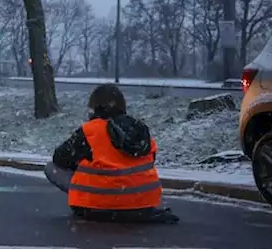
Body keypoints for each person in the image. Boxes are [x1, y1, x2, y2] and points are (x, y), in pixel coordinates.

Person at [46, 83, 179, 223]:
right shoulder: (139, 129)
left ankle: (94, 199)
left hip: (97, 207)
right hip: (142, 206)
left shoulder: (90, 130)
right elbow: (150, 159)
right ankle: (129, 204)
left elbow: (60, 158)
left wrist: (81, 165)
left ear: (95, 106)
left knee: (51, 168)